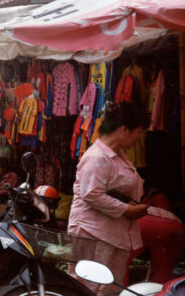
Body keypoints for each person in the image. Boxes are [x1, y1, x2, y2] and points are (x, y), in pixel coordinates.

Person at [68, 102, 150, 294]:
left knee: (108, 286)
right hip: (93, 232)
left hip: (110, 231)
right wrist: (127, 210)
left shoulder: (116, 155)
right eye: (138, 132)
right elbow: (91, 194)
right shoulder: (97, 157)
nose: (139, 138)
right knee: (90, 286)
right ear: (124, 130)